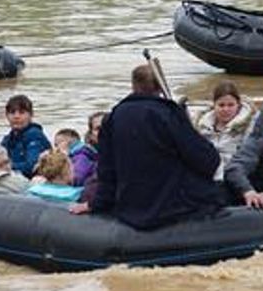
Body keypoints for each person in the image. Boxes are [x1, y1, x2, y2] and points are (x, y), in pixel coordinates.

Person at [68, 65, 224, 230]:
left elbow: (107, 171)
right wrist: (192, 130)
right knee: (220, 191)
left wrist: (95, 204)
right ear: (159, 87)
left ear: (133, 86)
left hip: (130, 206)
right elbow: (208, 161)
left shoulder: (114, 117)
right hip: (173, 207)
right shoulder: (169, 113)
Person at [193, 80, 256, 181]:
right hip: (206, 173)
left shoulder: (249, 125)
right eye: (221, 105)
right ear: (214, 105)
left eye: (230, 105)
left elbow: (248, 156)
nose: (226, 109)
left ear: (238, 104)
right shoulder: (201, 125)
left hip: (234, 175)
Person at [0, 94, 51, 178]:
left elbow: (31, 167)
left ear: (31, 115)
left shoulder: (34, 135)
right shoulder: (7, 139)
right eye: (12, 112)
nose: (16, 116)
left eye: (22, 112)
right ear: (6, 115)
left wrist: (3, 167)